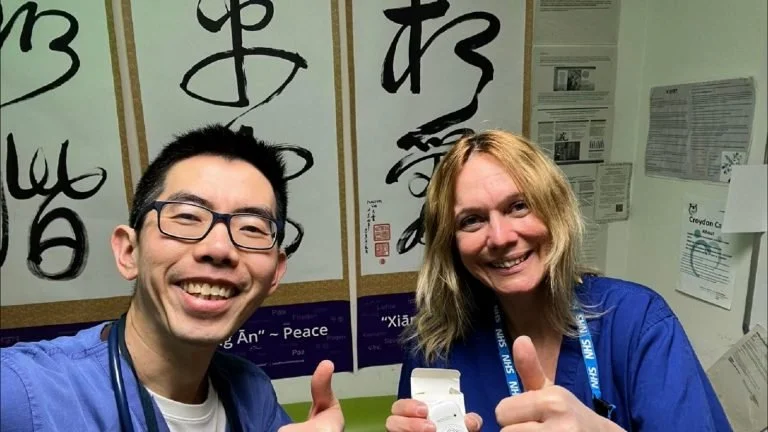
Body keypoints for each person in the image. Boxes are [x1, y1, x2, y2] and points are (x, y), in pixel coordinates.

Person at [0, 125, 344, 432]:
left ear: (275, 274)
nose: (219, 248)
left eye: (251, 228)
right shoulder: (22, 393)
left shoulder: (253, 394)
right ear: (129, 252)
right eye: (188, 217)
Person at [386, 130, 731, 431]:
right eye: (471, 220)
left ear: (555, 209)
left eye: (518, 206)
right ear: (451, 243)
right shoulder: (437, 349)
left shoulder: (637, 324)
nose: (501, 237)